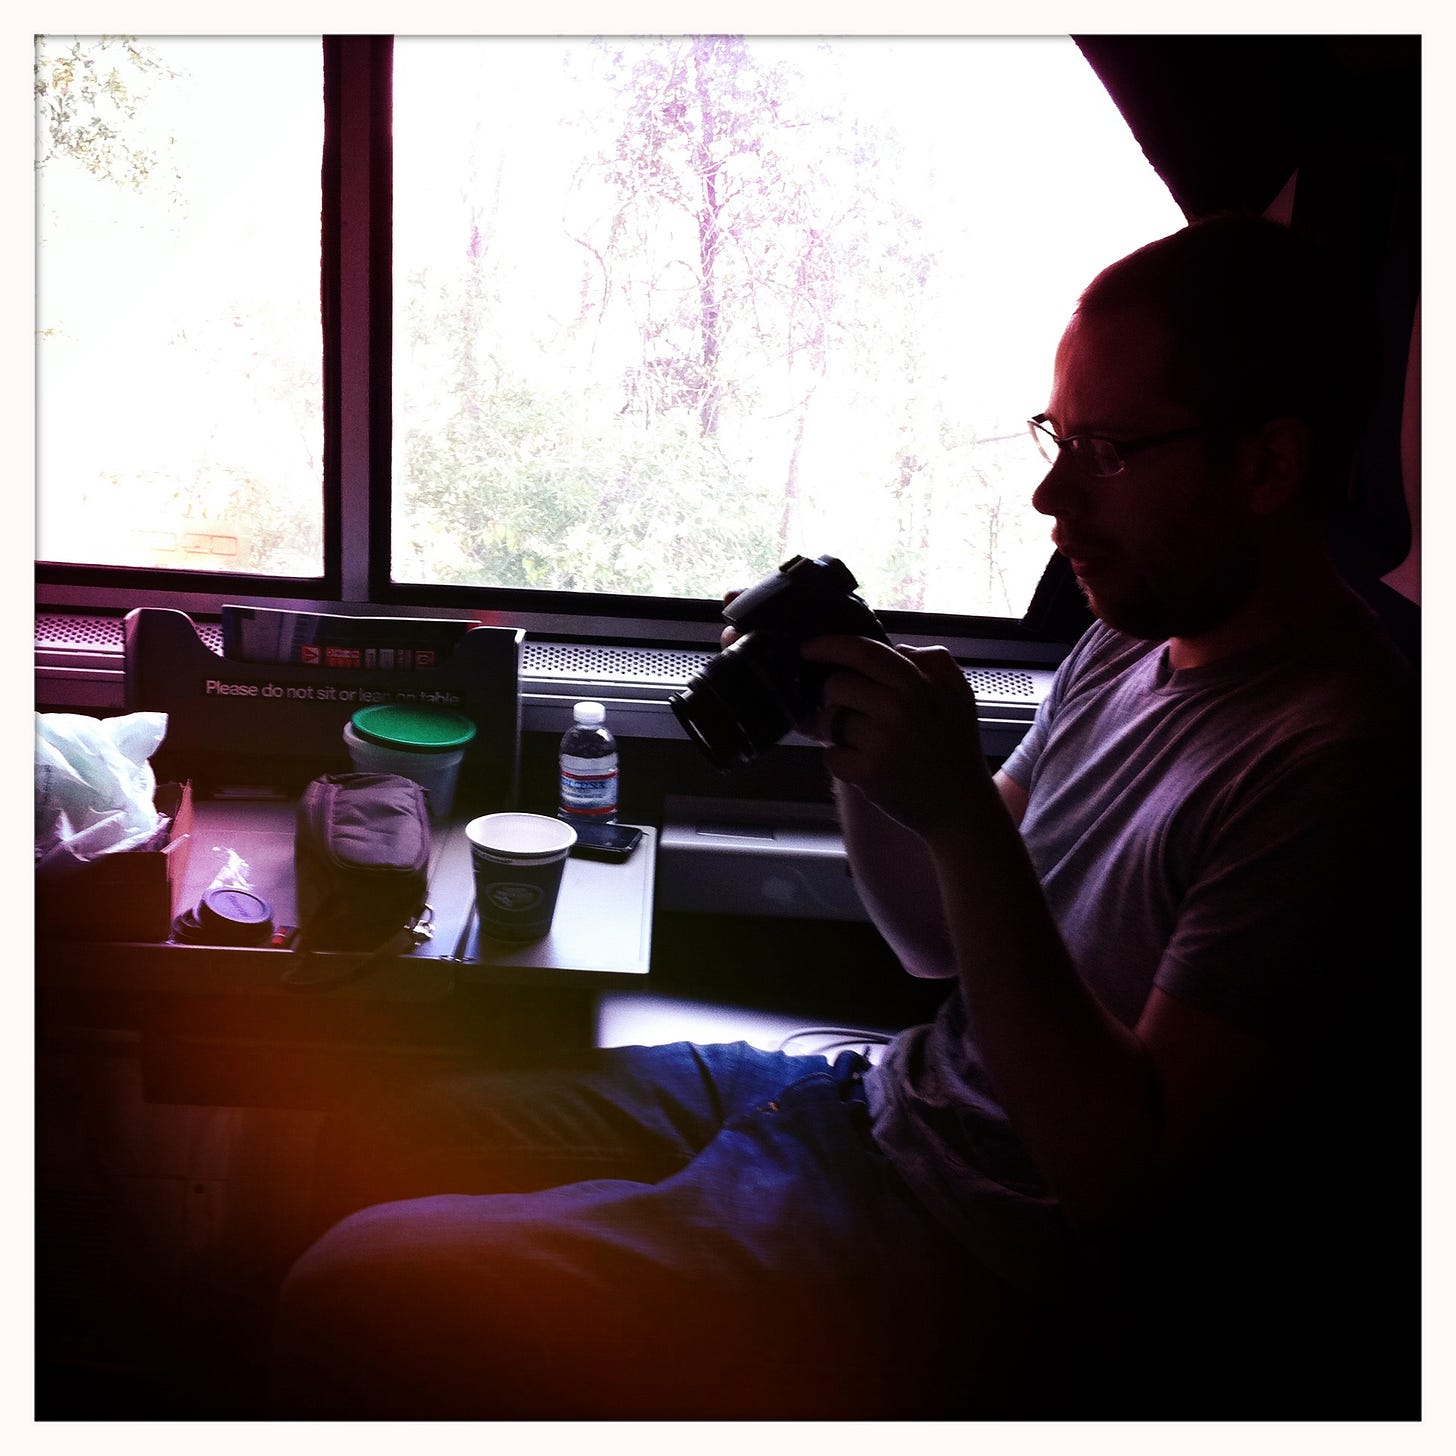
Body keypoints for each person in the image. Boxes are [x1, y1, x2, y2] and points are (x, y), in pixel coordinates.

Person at [268, 216, 1418, 1419]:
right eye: (1058, 438)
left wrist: (961, 816)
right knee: (359, 1139)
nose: (1050, 494)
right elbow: (930, 940)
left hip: (973, 1250)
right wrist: (856, 755)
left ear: (1269, 466)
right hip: (866, 1100)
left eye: (1111, 452)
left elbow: (1117, 1176)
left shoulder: (1338, 768)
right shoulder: (1121, 652)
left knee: (352, 1288)